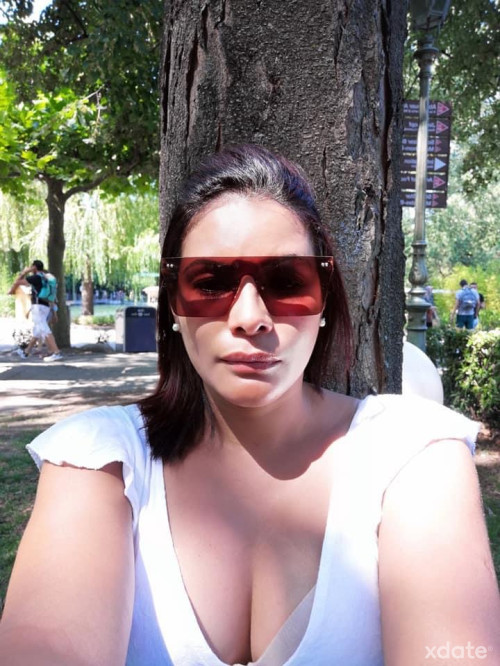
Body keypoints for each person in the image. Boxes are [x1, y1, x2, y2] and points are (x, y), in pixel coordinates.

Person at [1, 145, 499, 665]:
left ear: (324, 300)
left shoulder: (413, 456)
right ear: (173, 304)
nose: (249, 317)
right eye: (210, 282)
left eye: (286, 282)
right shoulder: (98, 460)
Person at [8, 260, 62, 362]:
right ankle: (26, 352)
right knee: (37, 330)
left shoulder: (36, 277)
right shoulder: (46, 277)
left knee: (45, 329)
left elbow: (18, 282)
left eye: (31, 267)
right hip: (46, 306)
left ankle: (56, 352)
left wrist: (24, 272)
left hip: (38, 306)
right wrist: (54, 312)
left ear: (34, 267)